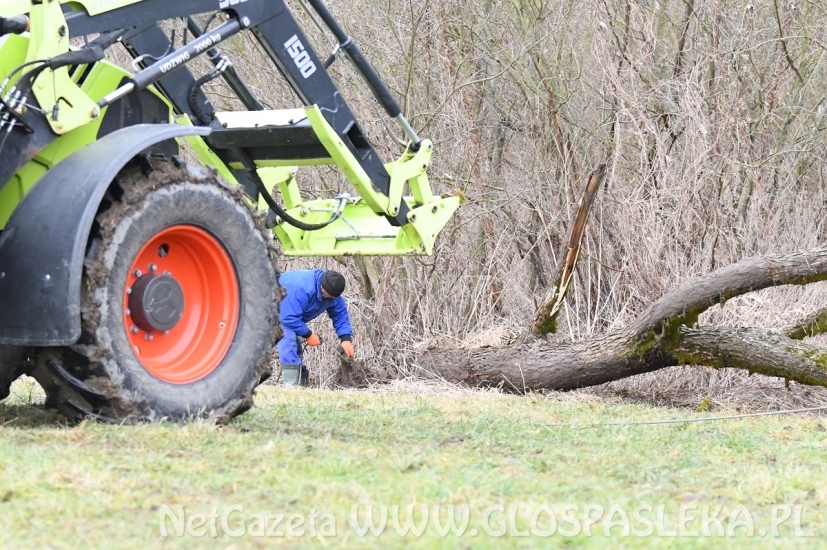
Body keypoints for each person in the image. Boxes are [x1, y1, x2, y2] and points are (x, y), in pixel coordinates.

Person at [277, 269, 354, 386]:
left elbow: (340, 315)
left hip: (287, 313)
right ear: (322, 286)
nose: (330, 298)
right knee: (288, 339)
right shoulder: (301, 288)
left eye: (333, 297)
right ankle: (291, 386)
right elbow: (288, 318)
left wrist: (346, 339)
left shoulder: (332, 295)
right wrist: (308, 334)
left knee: (295, 346)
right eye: (329, 295)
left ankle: (301, 385)